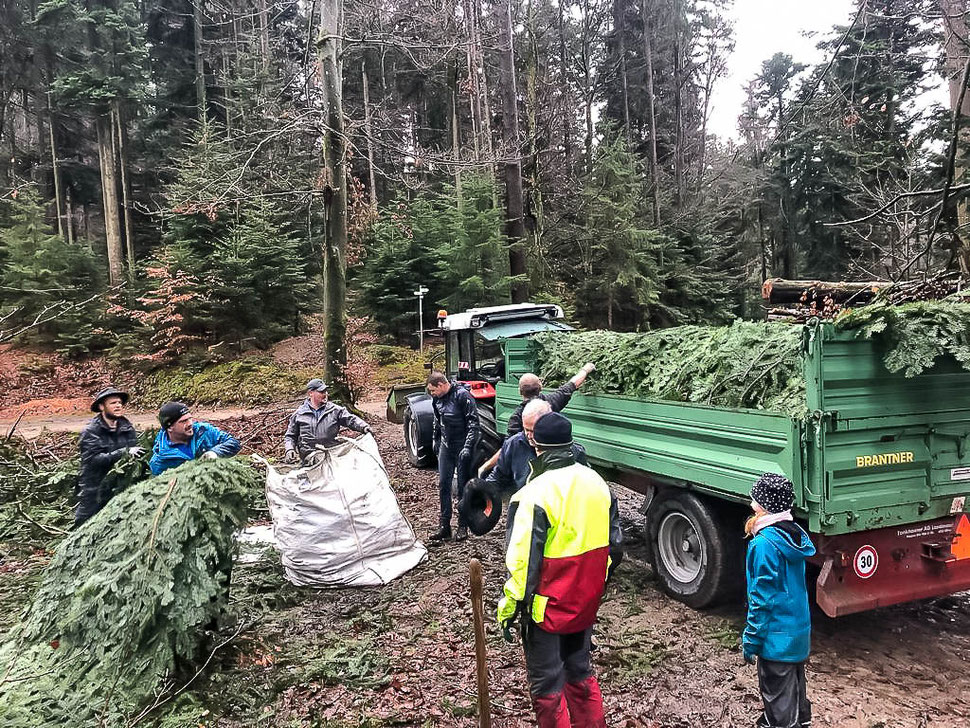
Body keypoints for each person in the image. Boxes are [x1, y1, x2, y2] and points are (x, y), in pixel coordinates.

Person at [497, 412, 622, 728]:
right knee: (579, 671)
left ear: (536, 446)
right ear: (570, 443)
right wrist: (593, 583)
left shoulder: (533, 494)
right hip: (586, 603)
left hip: (546, 610)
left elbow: (523, 565)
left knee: (547, 685)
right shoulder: (597, 483)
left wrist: (509, 610)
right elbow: (614, 548)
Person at [742, 473, 816, 728]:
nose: (751, 504)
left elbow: (762, 599)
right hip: (797, 633)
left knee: (778, 703)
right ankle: (801, 721)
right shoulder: (793, 535)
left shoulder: (764, 545)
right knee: (795, 691)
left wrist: (751, 640)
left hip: (776, 639)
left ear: (764, 505)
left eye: (756, 499)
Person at [485, 399, 586, 497]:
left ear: (547, 425)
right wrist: (482, 491)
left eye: (533, 431)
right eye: (525, 429)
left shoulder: (572, 452)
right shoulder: (513, 444)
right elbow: (498, 478)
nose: (528, 435)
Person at [76, 387, 143, 526]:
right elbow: (93, 460)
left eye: (119, 402)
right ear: (102, 407)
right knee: (85, 524)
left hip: (118, 485)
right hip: (94, 486)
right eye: (113, 403)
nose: (118, 405)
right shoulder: (91, 431)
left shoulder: (127, 427)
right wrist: (123, 452)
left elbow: (135, 452)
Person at [427, 371, 480, 542]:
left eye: (433, 390)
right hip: (446, 445)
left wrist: (467, 447)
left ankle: (463, 525)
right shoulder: (437, 399)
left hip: (462, 444)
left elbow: (473, 423)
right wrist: (435, 439)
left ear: (441, 385)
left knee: (463, 487)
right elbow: (437, 420)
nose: (431, 394)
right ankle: (444, 525)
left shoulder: (462, 396)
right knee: (444, 484)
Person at [283, 378, 371, 464]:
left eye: (326, 391)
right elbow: (290, 436)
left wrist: (364, 427)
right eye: (321, 392)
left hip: (332, 457)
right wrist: (289, 449)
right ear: (310, 393)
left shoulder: (335, 410)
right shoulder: (299, 414)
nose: (325, 394)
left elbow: (351, 419)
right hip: (308, 460)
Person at [149, 402, 241, 475]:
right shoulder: (160, 461)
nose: (190, 423)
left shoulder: (203, 431)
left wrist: (215, 453)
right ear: (169, 427)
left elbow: (233, 443)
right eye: (183, 421)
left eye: (190, 418)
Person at [505, 362, 596, 437]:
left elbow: (509, 445)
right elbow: (572, 384)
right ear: (541, 387)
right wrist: (585, 370)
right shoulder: (551, 402)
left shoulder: (516, 417)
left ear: (520, 391)